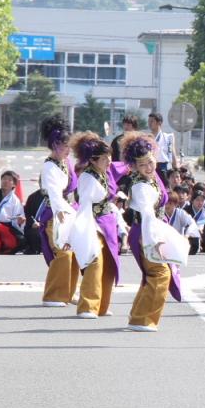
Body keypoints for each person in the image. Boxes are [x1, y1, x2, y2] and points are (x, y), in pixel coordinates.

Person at [123, 133, 190, 331]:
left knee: (152, 275)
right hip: (146, 232)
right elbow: (147, 215)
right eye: (142, 164)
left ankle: (138, 316)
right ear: (134, 166)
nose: (149, 167)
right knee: (159, 274)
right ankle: (143, 319)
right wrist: (156, 241)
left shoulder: (151, 179)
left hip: (150, 230)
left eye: (150, 162)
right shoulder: (142, 185)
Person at [67, 133, 123, 319]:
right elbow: (83, 207)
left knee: (108, 264)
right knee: (95, 262)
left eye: (109, 157)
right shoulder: (88, 178)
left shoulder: (103, 173)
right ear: (92, 159)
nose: (109, 161)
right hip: (94, 224)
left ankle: (102, 305)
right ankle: (87, 306)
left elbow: (120, 167)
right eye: (105, 158)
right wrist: (81, 232)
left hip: (107, 222)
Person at [37, 116, 79, 307]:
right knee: (62, 253)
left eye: (69, 146)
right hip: (56, 214)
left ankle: (68, 292)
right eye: (64, 146)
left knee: (73, 253)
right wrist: (61, 213)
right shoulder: (49, 166)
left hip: (69, 212)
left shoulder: (65, 162)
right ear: (54, 145)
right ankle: (53, 295)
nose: (68, 150)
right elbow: (54, 194)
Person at [148, 111, 177, 177]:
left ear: (159, 123)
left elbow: (173, 154)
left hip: (163, 168)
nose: (149, 123)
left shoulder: (168, 137)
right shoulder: (147, 138)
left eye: (152, 121)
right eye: (149, 121)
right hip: (150, 168)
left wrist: (175, 168)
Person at [23, 181, 44, 255]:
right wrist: (32, 223)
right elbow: (28, 214)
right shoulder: (32, 197)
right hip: (36, 227)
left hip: (51, 226)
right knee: (33, 233)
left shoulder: (57, 196)